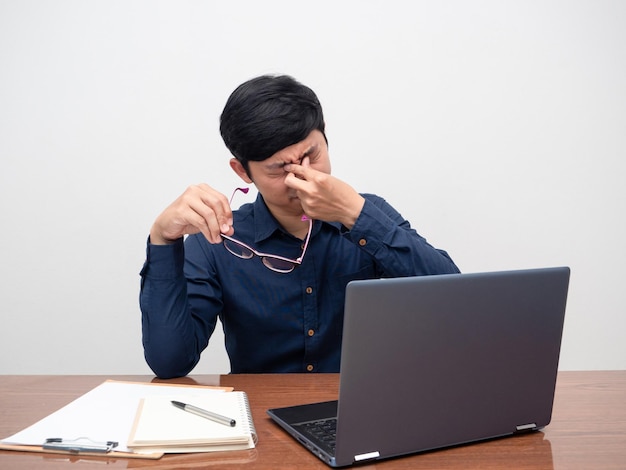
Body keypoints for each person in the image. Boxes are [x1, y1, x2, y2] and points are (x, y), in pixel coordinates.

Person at [140, 74, 460, 378]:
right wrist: (163, 239)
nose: (300, 177)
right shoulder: (218, 239)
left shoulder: (368, 212)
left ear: (326, 138)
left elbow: (452, 300)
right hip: (260, 414)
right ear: (242, 172)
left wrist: (357, 216)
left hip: (359, 406)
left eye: (312, 154)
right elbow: (170, 362)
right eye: (279, 169)